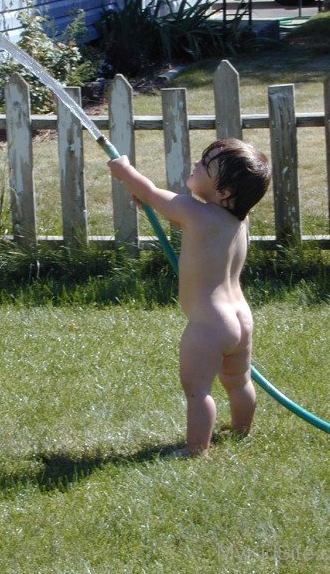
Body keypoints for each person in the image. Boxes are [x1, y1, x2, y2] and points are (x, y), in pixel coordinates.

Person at [108, 138, 271, 456]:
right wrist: (153, 204)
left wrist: (125, 172)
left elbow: (153, 193)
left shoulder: (191, 211)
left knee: (198, 391)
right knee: (238, 382)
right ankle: (242, 431)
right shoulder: (237, 219)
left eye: (205, 165)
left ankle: (196, 450)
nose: (196, 165)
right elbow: (184, 218)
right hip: (239, 316)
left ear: (223, 191)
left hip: (209, 323)